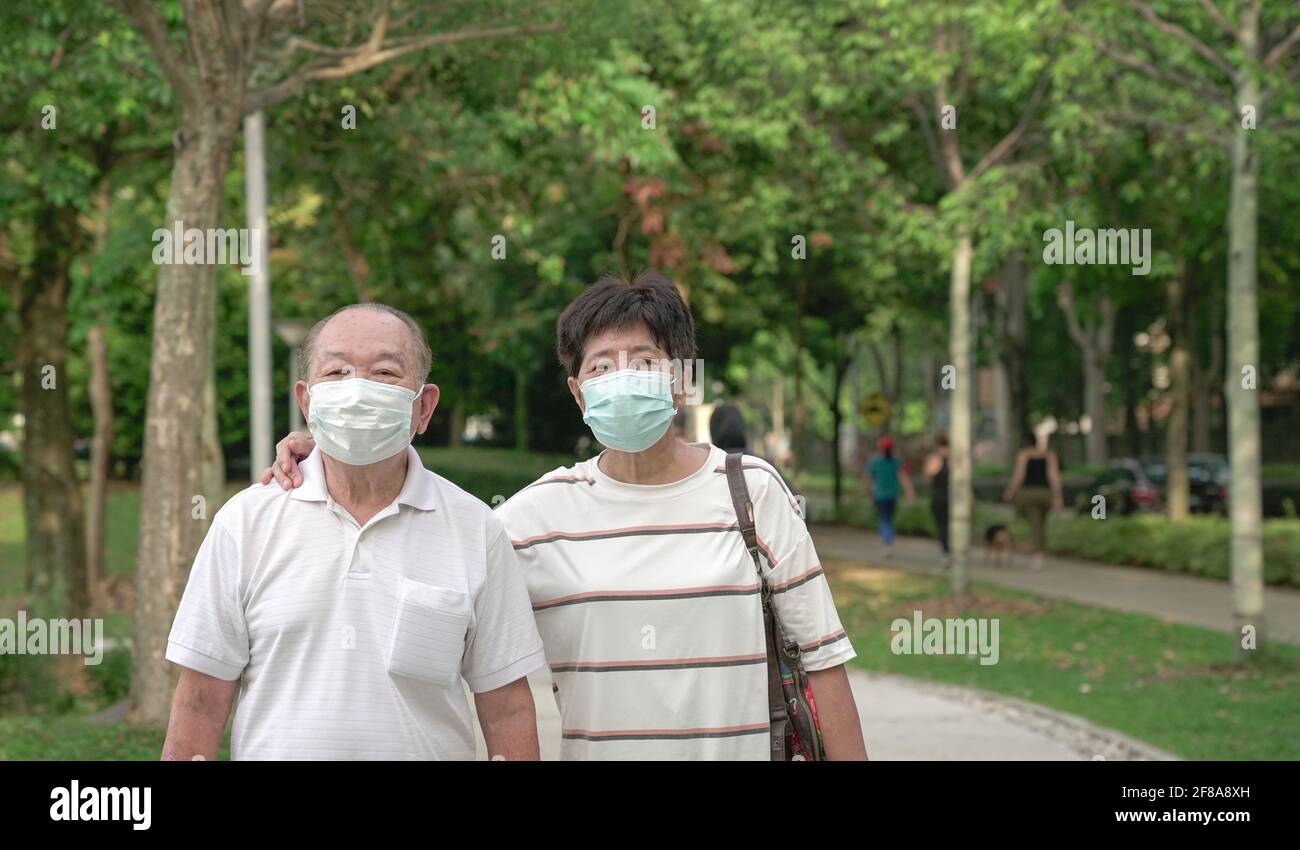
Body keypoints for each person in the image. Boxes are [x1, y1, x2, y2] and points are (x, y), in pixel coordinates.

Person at [265, 271, 868, 760]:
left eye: (644, 359)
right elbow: (418, 539)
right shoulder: (527, 521)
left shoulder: (752, 493)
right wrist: (335, 454)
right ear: (579, 394)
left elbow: (823, 666)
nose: (622, 378)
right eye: (601, 366)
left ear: (681, 381)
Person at [165, 303, 546, 760]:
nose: (358, 388)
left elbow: (506, 708)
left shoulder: (475, 527)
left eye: (384, 372)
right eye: (337, 371)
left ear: (423, 407)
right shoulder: (245, 522)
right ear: (306, 402)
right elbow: (200, 703)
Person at [1002, 430, 1064, 570]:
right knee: (1040, 524)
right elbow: (1054, 476)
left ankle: (1037, 555)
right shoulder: (1049, 455)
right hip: (1045, 493)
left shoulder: (1024, 454)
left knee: (1034, 524)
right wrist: (1058, 496)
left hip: (1027, 494)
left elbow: (1019, 475)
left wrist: (1010, 492)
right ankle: (1040, 552)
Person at [864, 435, 913, 557]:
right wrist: (909, 492)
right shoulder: (897, 461)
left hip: (879, 496)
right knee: (888, 519)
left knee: (884, 520)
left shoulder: (875, 462)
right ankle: (888, 542)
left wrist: (867, 491)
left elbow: (867, 479)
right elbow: (903, 478)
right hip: (892, 495)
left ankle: (887, 544)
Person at [923, 434, 950, 559]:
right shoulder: (955, 458)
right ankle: (951, 551)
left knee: (942, 526)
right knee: (950, 526)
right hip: (952, 498)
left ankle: (946, 552)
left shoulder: (934, 459)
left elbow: (928, 477)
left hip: (938, 496)